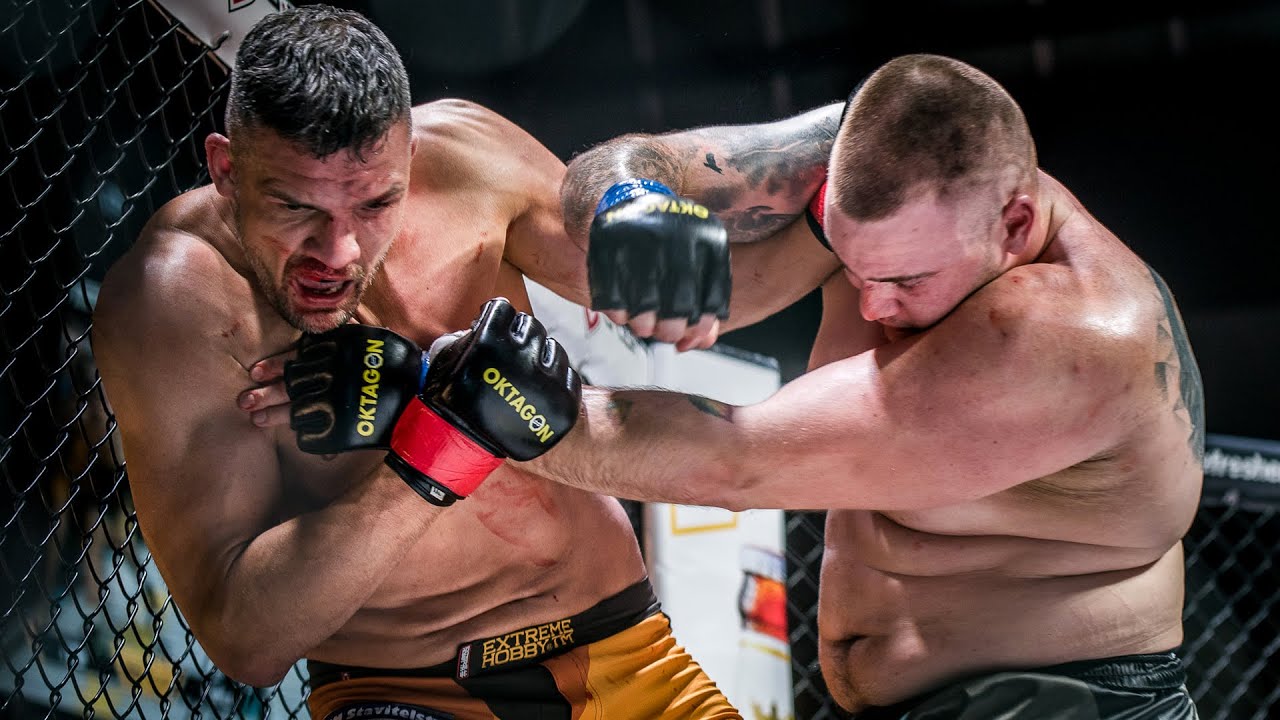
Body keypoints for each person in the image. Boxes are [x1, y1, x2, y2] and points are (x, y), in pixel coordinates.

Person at [92, 5, 776, 718]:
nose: (338, 253)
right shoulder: (178, 298)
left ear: (410, 161)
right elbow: (245, 639)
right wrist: (442, 443)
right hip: (411, 693)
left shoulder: (467, 159)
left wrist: (661, 216)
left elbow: (727, 290)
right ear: (227, 170)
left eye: (375, 204)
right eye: (296, 208)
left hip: (636, 653)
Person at [532, 53, 1204, 718]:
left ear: (1016, 227)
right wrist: (628, 202)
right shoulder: (876, 165)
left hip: (1066, 703)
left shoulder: (1072, 337)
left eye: (907, 281)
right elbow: (643, 166)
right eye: (854, 271)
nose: (873, 305)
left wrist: (507, 406)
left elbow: (732, 464)